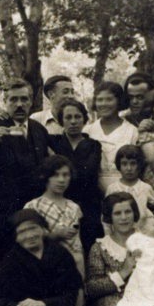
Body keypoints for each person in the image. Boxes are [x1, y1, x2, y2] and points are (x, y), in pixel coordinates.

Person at [0, 78, 51, 276]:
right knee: (0, 262)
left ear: (31, 102)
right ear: (5, 101)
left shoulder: (38, 129)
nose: (19, 104)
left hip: (30, 209)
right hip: (1, 211)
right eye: (13, 99)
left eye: (24, 99)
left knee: (30, 261)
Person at [86, 192, 154, 306]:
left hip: (144, 302)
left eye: (128, 212)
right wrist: (123, 272)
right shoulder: (100, 247)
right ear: (109, 217)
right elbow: (92, 288)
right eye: (117, 213)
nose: (124, 217)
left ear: (134, 213)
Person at [51, 98, 104, 255]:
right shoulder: (54, 142)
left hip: (89, 204)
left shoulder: (93, 145)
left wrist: (61, 164)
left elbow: (87, 174)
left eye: (77, 117)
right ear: (61, 121)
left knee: (89, 246)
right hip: (62, 202)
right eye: (68, 117)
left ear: (84, 119)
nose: (73, 122)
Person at [24, 155, 85, 279]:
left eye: (65, 175)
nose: (61, 180)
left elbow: (77, 243)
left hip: (75, 264)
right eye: (55, 175)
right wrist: (54, 235)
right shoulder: (34, 206)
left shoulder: (74, 207)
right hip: (46, 267)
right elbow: (27, 242)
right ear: (45, 177)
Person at [83, 81, 139, 192]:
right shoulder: (88, 130)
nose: (103, 104)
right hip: (93, 191)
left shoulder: (132, 131)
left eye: (109, 99)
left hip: (124, 191)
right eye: (100, 100)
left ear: (119, 101)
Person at [105, 145, 154, 222]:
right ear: (119, 165)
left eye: (133, 164)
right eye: (124, 164)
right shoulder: (112, 188)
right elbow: (106, 215)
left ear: (139, 165)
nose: (129, 168)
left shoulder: (145, 188)